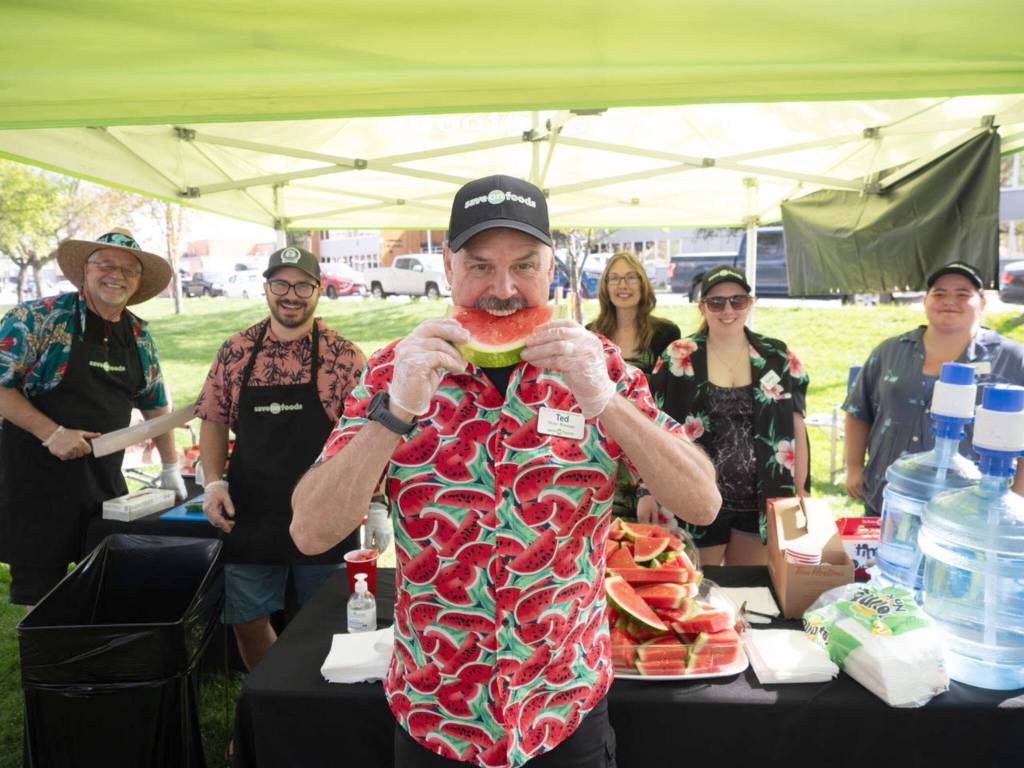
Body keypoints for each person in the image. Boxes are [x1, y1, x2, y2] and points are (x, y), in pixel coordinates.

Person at [290, 175, 719, 768]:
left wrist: (607, 404)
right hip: (437, 713)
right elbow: (310, 531)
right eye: (479, 266)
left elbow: (702, 505)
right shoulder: (394, 371)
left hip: (563, 710)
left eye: (524, 265)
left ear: (551, 269)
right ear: (447, 265)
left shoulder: (603, 369)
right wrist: (394, 413)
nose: (502, 289)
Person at [195, 246, 369, 671]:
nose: (291, 295)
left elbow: (368, 437)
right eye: (280, 284)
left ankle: (314, 707)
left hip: (325, 514)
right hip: (250, 512)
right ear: (266, 288)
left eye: (302, 285)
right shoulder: (235, 351)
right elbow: (214, 419)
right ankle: (270, 695)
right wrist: (214, 482)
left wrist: (370, 502)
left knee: (325, 623)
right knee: (248, 619)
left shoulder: (344, 357)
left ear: (319, 290)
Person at [0, 228, 186, 607]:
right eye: (106, 264)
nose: (116, 275)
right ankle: (48, 664)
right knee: (42, 597)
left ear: (137, 283)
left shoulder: (138, 335)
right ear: (85, 271)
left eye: (128, 270)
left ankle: (94, 659)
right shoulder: (38, 318)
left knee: (104, 584)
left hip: (103, 483)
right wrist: (52, 434)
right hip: (35, 483)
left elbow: (155, 404)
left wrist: (170, 465)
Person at [647, 266, 810, 566]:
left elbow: (796, 426)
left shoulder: (777, 356)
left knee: (748, 590)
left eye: (738, 301)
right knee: (699, 588)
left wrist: (800, 492)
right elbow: (652, 427)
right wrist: (646, 489)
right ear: (702, 307)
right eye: (716, 302)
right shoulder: (678, 356)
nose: (727, 310)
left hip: (762, 500)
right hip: (696, 497)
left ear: (750, 303)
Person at [844, 261, 1024, 516]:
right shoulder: (890, 351)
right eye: (939, 293)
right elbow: (857, 411)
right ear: (925, 301)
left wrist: (1018, 494)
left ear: (982, 304)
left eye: (963, 294)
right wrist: (853, 467)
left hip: (970, 509)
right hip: (890, 498)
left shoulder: (1012, 358)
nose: (949, 301)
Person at [587, 251, 680, 521]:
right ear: (605, 287)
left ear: (643, 283)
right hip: (604, 451)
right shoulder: (590, 334)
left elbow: (666, 407)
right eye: (614, 278)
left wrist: (648, 485)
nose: (622, 285)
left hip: (648, 447)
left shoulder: (666, 334)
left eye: (630, 277)